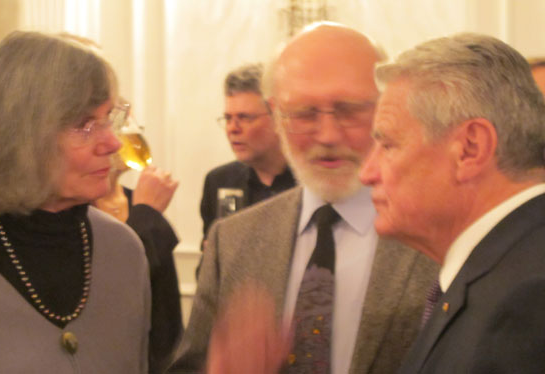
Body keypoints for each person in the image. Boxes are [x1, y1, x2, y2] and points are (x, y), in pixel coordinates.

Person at [168, 22, 437, 374]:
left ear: (386, 108)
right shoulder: (233, 240)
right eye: (304, 113)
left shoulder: (437, 233)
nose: (327, 134)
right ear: (277, 114)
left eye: (349, 109)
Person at [0, 31, 150, 373]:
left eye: (108, 119)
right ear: (20, 135)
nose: (113, 143)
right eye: (85, 125)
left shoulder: (123, 251)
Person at [359, 32, 545, 373]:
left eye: (388, 145)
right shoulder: (502, 268)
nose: (367, 173)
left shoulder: (529, 300)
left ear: (470, 148)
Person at [94, 156, 183, 374]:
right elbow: (107, 293)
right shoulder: (77, 212)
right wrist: (145, 215)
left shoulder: (139, 200)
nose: (115, 142)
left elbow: (166, 312)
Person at [200, 63, 295, 245]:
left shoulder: (308, 183)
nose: (232, 129)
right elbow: (206, 267)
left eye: (244, 118)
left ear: (278, 117)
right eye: (228, 118)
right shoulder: (219, 181)